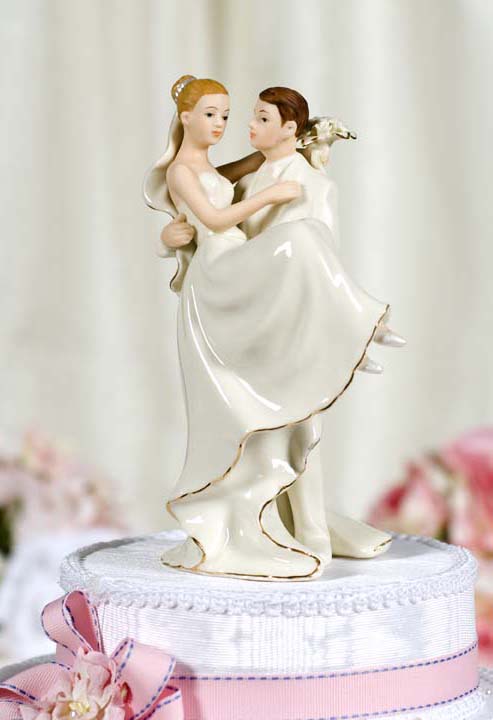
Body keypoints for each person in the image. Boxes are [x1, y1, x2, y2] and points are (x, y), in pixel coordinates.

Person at [144, 76, 402, 579]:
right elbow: (215, 220)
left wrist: (309, 142)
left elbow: (259, 163)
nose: (223, 124)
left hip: (244, 270)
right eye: (212, 114)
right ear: (185, 117)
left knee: (305, 238)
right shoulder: (180, 170)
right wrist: (269, 197)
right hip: (219, 272)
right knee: (299, 239)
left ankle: (351, 325)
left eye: (227, 115)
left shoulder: (215, 168)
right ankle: (360, 321)